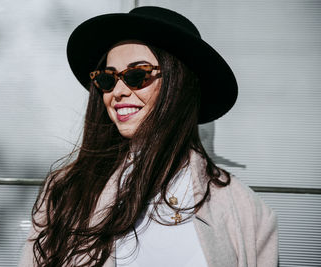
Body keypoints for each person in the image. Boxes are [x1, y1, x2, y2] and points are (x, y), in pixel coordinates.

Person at [19, 6, 278, 267]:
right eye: (108, 79)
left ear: (179, 85)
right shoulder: (66, 191)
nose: (117, 91)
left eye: (137, 75)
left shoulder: (245, 210)